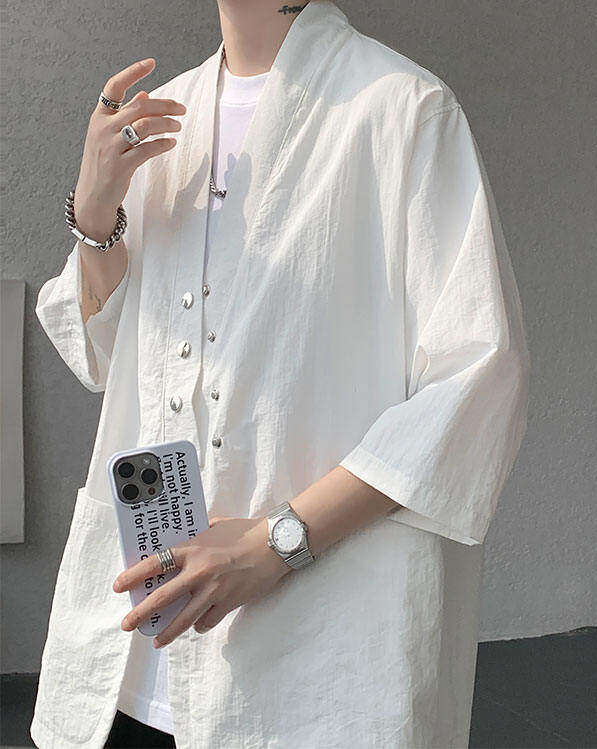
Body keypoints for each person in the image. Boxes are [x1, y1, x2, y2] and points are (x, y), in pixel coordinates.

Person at [31, 1, 531, 747]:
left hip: (316, 660)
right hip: (133, 653)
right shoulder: (164, 119)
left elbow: (479, 376)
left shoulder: (400, 109)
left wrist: (274, 543)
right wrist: (96, 212)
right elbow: (104, 357)